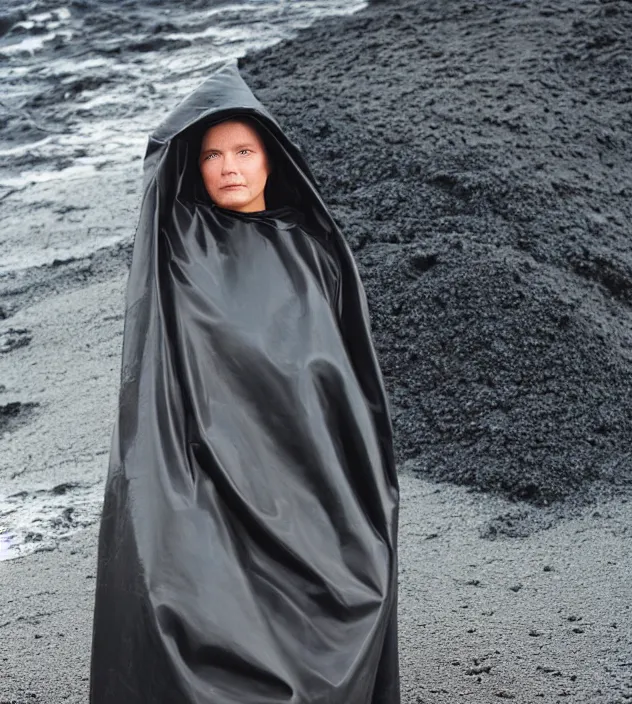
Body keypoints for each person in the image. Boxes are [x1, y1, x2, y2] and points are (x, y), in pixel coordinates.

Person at [89, 63, 400, 704]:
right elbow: (160, 154)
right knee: (196, 602)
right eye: (212, 154)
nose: (229, 166)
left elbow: (343, 378)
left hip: (311, 471)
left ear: (270, 159)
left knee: (348, 592)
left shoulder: (314, 249)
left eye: (244, 151)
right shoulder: (178, 248)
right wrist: (211, 93)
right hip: (210, 466)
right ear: (193, 167)